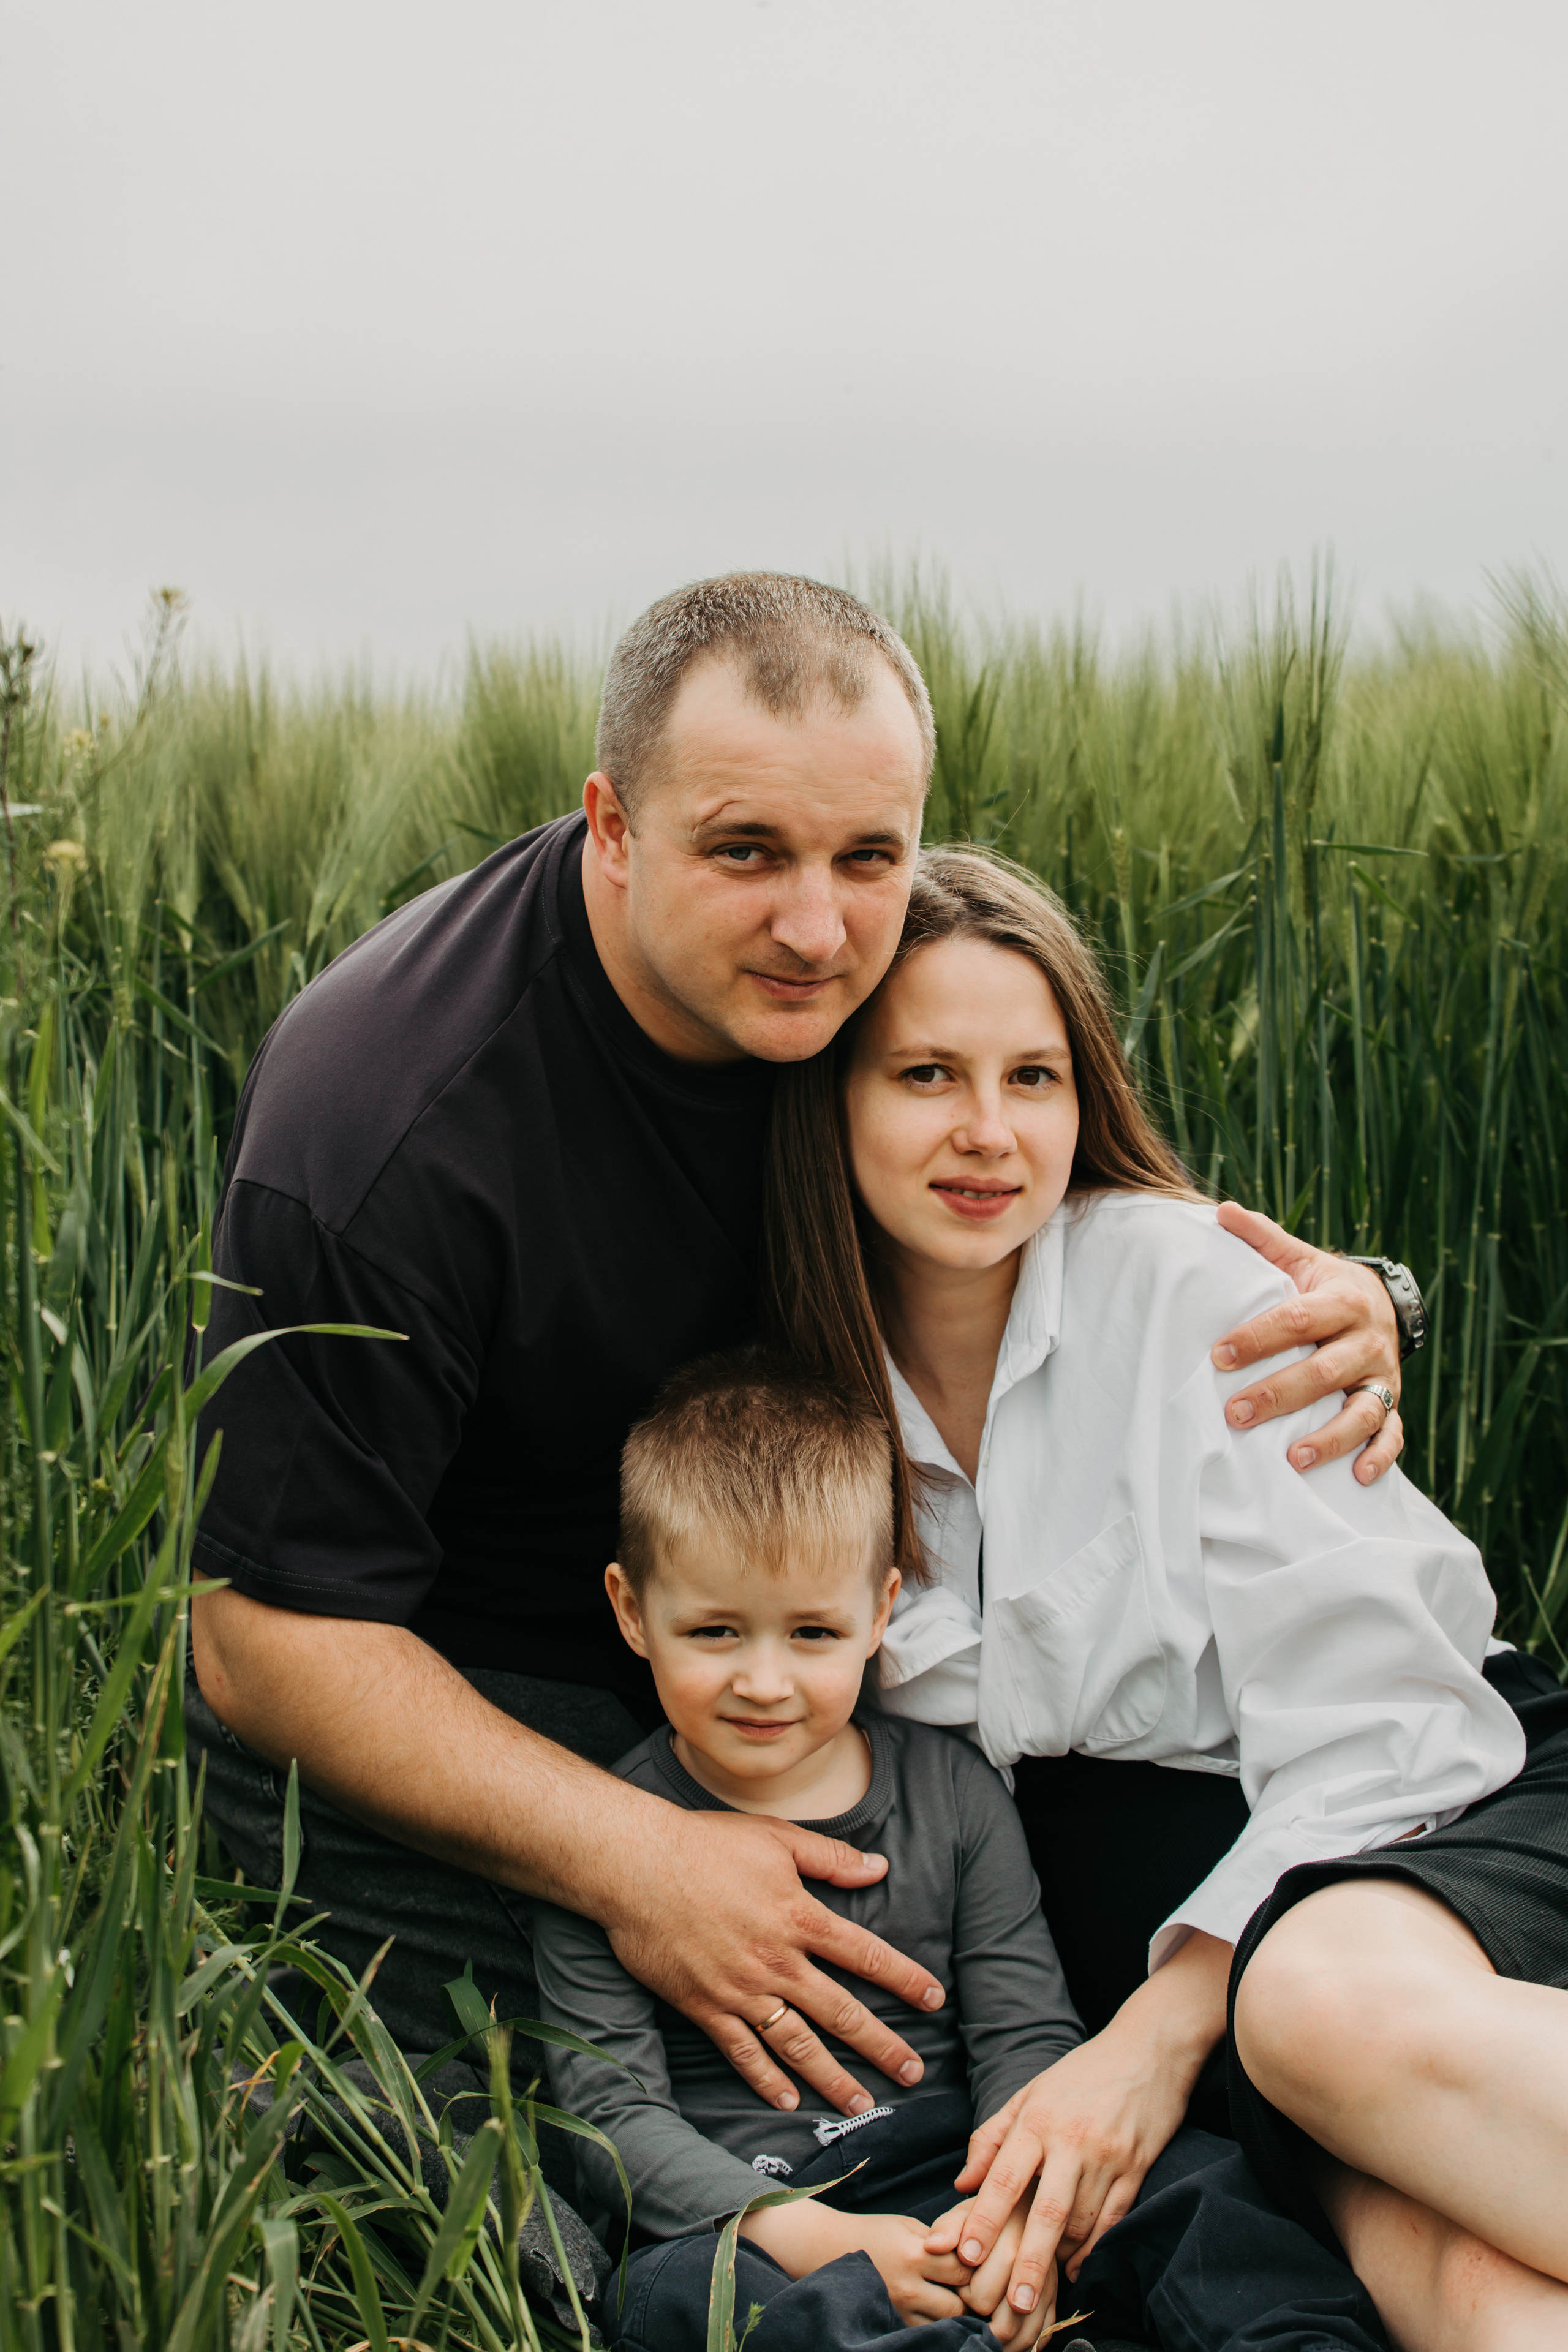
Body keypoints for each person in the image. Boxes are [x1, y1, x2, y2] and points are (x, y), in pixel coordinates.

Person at [186, 572, 1404, 2131]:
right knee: (644, 2145)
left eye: (866, 856)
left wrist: (1360, 1299)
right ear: (610, 826)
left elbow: (1050, 1171)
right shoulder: (384, 1130)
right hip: (498, 1696)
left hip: (854, 1667)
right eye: (744, 850)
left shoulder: (870, 975)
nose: (816, 927)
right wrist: (638, 1860)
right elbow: (267, 1639)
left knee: (1076, 2051)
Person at [762, 844, 1568, 2347]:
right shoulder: (781, 1396)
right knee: (1479, 2296)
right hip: (1158, 2001)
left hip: (1417, 1832)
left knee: (1316, 2007)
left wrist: (1160, 2029)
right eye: (925, 1075)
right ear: (832, 1100)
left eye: (1036, 1077)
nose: (988, 1133)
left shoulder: (1192, 1299)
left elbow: (1392, 1732)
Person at [532, 1351, 1081, 2352]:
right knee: (674, 2298)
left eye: (815, 1633)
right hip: (756, 2219)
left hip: (960, 2183)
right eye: (715, 1631)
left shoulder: (955, 1798)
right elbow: (609, 2119)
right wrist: (809, 2234)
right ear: (630, 1611)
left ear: (880, 1611)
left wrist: (1008, 2217)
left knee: (1199, 2184)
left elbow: (1026, 2036)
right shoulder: (599, 1837)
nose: (766, 1681)